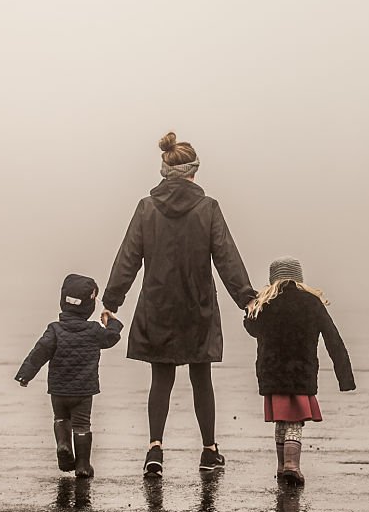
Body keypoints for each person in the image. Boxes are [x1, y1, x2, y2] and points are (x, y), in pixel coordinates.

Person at [102, 132, 257, 477]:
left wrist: (112, 299)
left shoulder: (147, 207)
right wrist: (246, 298)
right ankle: (208, 451)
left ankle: (154, 451)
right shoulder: (207, 208)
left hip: (158, 304)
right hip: (197, 305)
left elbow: (129, 256)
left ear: (165, 170)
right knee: (202, 378)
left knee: (161, 378)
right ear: (193, 171)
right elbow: (226, 257)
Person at [243, 257, 356, 486]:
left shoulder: (265, 303)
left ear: (273, 279)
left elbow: (252, 330)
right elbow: (333, 338)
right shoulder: (312, 303)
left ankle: (280, 465)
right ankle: (292, 465)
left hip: (272, 372)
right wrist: (345, 378)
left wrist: (249, 312)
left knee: (281, 421)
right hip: (301, 372)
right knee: (295, 422)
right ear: (299, 278)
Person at [15, 273, 124, 478]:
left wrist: (25, 375)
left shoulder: (55, 330)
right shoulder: (93, 330)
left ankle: (63, 444)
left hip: (58, 389)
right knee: (82, 424)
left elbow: (39, 352)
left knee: (61, 417)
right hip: (83, 391)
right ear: (88, 306)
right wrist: (112, 322)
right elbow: (111, 338)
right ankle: (83, 465)